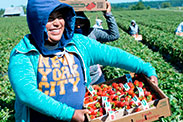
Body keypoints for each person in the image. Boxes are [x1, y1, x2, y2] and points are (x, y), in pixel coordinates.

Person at [8, 0, 158, 122]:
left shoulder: (78, 43)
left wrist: (146, 68)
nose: (57, 23)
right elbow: (26, 93)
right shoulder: (23, 53)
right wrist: (70, 114)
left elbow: (114, 55)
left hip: (83, 117)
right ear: (36, 22)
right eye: (49, 18)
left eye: (60, 16)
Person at [75, 2, 120, 85]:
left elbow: (114, 35)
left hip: (96, 78)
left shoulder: (92, 33)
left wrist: (108, 14)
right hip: (77, 82)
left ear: (85, 22)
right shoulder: (66, 37)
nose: (78, 26)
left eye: (80, 22)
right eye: (75, 23)